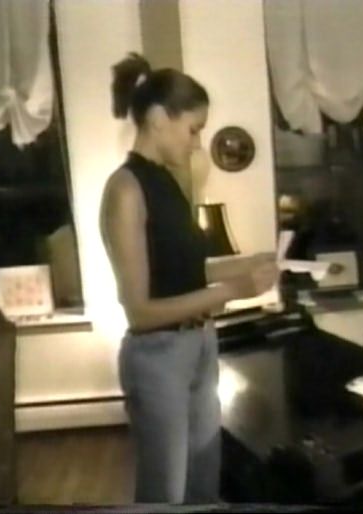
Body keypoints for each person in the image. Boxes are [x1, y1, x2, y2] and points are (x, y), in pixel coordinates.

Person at [99, 52, 279, 504]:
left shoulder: (168, 183)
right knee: (165, 493)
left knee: (204, 483)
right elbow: (140, 312)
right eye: (194, 130)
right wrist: (232, 291)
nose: (198, 144)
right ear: (160, 118)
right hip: (158, 356)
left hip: (199, 343)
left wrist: (246, 264)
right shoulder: (125, 189)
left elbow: (185, 271)